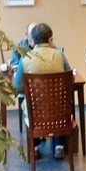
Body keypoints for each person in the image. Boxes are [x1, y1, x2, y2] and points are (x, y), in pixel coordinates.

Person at [13, 23, 71, 159]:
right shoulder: (60, 56)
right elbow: (70, 80)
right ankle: (59, 145)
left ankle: (35, 146)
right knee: (58, 105)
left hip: (35, 111)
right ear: (51, 40)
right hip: (59, 111)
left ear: (32, 41)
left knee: (32, 107)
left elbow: (18, 87)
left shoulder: (25, 58)